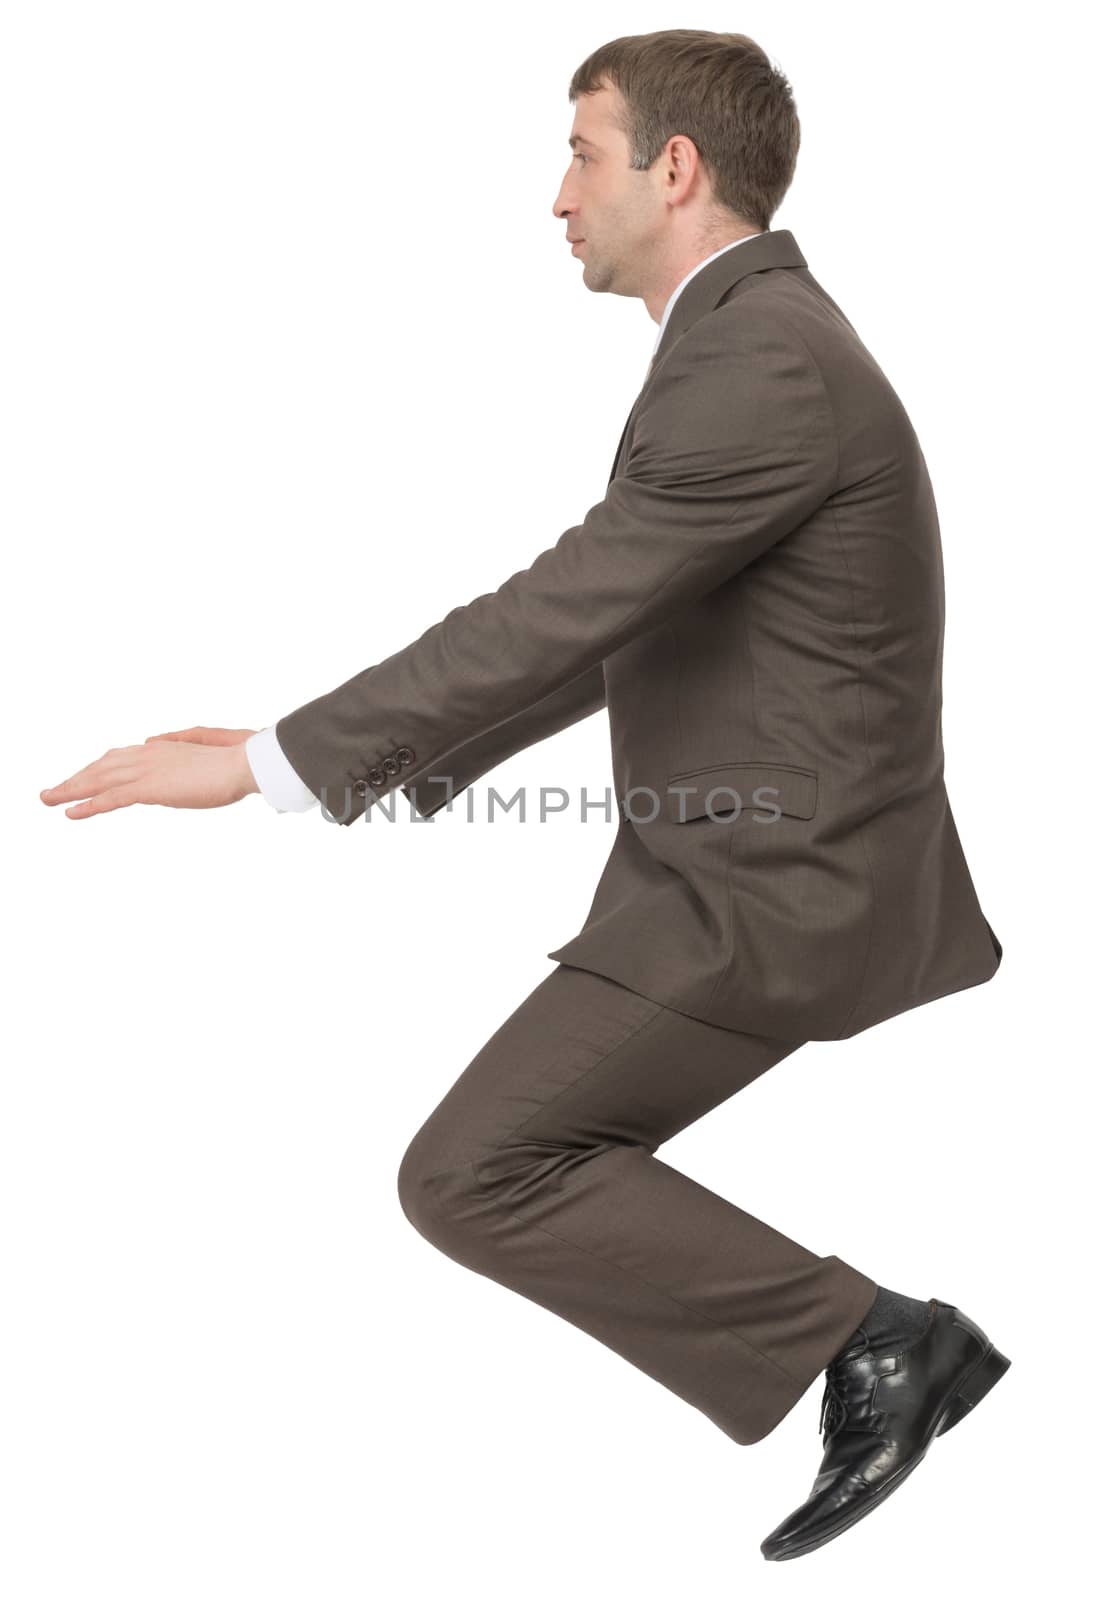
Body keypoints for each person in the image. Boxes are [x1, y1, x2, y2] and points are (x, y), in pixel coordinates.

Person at [38, 29, 1008, 1560]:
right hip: (763, 875)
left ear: (672, 168)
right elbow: (631, 613)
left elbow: (560, 606)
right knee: (486, 1168)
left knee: (475, 1171)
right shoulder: (750, 340)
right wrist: (384, 760)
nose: (555, 196)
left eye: (578, 151)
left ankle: (879, 1341)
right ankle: (866, 1340)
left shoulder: (755, 355)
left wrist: (268, 763)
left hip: (773, 891)